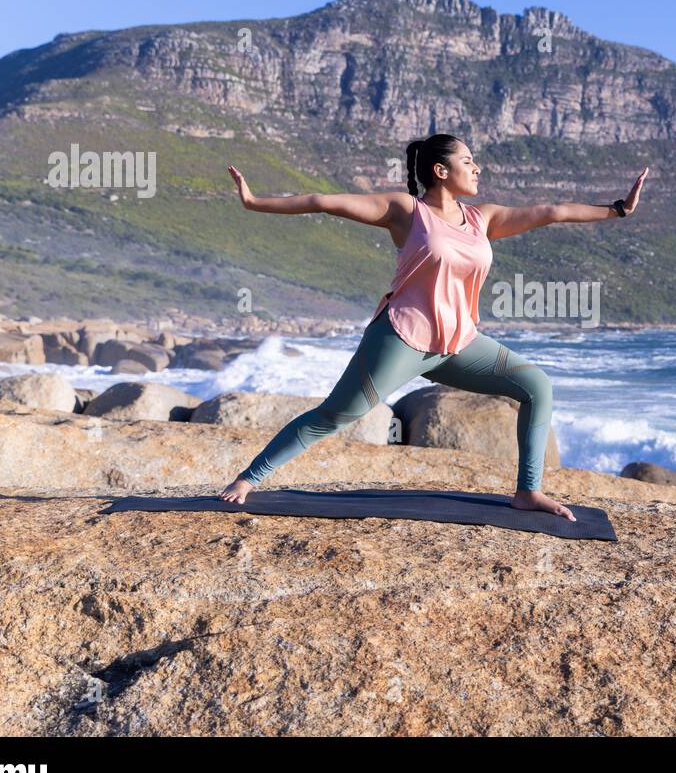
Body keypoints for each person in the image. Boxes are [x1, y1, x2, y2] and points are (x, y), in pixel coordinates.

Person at [218, 133, 648, 521]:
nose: (477, 168)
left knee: (537, 386)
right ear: (441, 171)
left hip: (458, 342)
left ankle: (528, 491)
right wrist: (254, 202)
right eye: (468, 161)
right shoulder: (406, 212)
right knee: (337, 414)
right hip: (401, 338)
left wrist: (617, 210)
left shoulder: (484, 218)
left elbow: (552, 211)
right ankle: (249, 478)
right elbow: (321, 200)